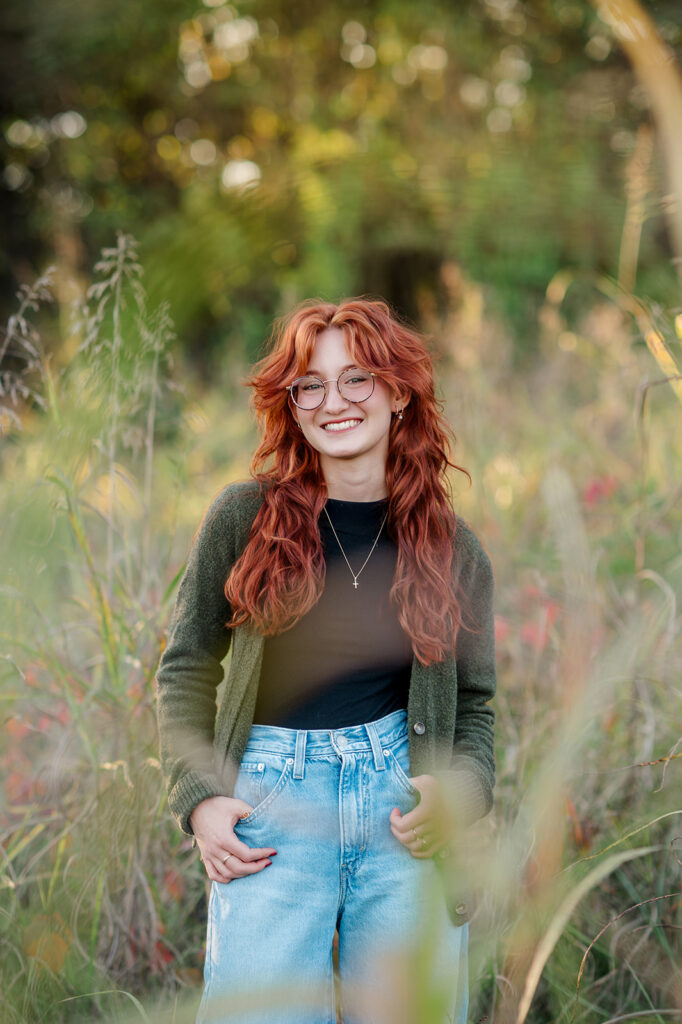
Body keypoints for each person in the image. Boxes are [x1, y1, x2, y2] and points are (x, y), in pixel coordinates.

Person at [155, 297, 496, 1024]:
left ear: (399, 392)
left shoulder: (453, 550)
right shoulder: (243, 518)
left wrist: (459, 793)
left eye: (357, 380)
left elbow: (475, 706)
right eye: (310, 384)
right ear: (293, 404)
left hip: (405, 811)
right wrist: (200, 796)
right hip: (271, 811)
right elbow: (186, 665)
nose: (332, 402)